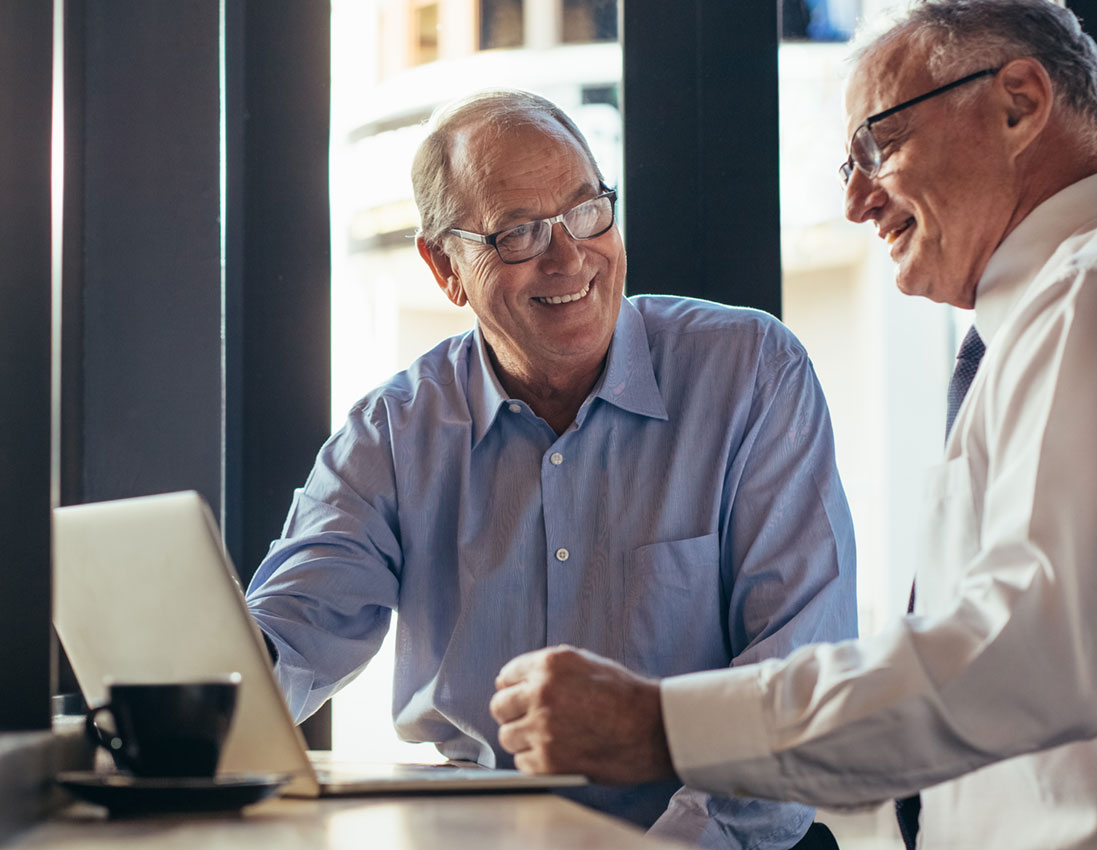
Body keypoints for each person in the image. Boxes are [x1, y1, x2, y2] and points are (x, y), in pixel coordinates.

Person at [488, 3, 1097, 849]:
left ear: (1017, 103)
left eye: (876, 145)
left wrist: (662, 725)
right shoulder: (1070, 314)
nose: (855, 200)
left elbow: (1025, 657)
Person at [244, 89, 857, 849]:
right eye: (517, 234)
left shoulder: (751, 371)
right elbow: (291, 633)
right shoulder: (393, 431)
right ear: (444, 266)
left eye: (587, 211)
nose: (569, 256)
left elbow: (796, 684)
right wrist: (195, 692)